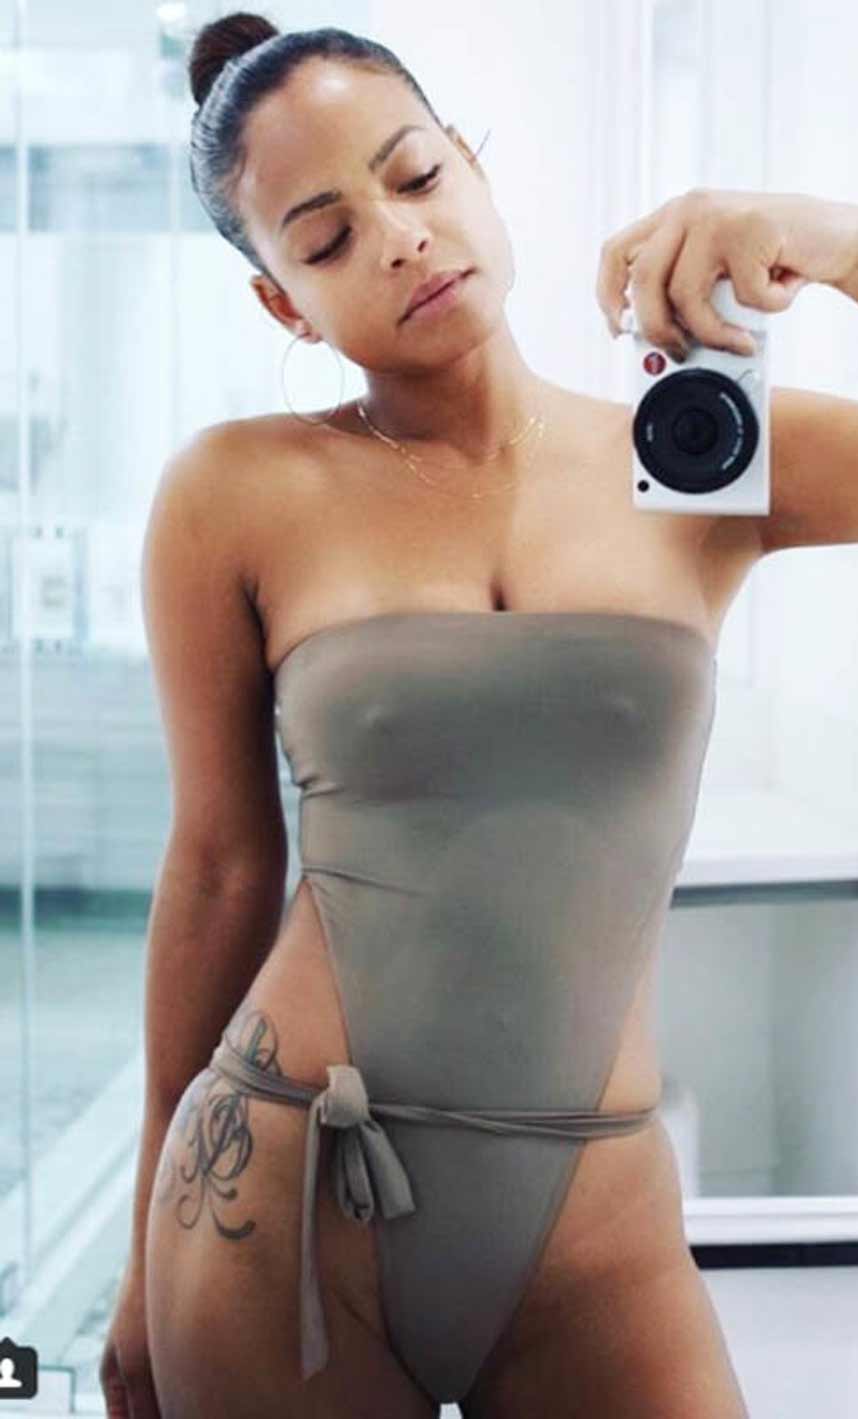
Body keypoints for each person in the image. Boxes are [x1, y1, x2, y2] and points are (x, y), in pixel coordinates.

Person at [100, 11, 757, 1419]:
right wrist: (139, 1255)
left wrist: (853, 243)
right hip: (280, 1197)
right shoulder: (234, 490)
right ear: (283, 304)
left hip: (598, 1223)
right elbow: (219, 867)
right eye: (327, 239)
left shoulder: (687, 462)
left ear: (473, 164)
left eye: (414, 176)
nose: (399, 238)